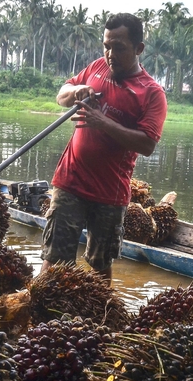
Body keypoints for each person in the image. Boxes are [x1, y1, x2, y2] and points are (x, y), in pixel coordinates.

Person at [40, 12, 167, 284]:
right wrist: (77, 91)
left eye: (118, 48)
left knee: (100, 265)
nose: (110, 54)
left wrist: (103, 122)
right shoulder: (96, 68)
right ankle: (41, 319)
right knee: (54, 260)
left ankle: (99, 323)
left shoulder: (151, 93)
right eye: (106, 46)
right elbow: (61, 94)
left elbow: (147, 144)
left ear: (139, 49)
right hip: (70, 182)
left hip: (109, 194)